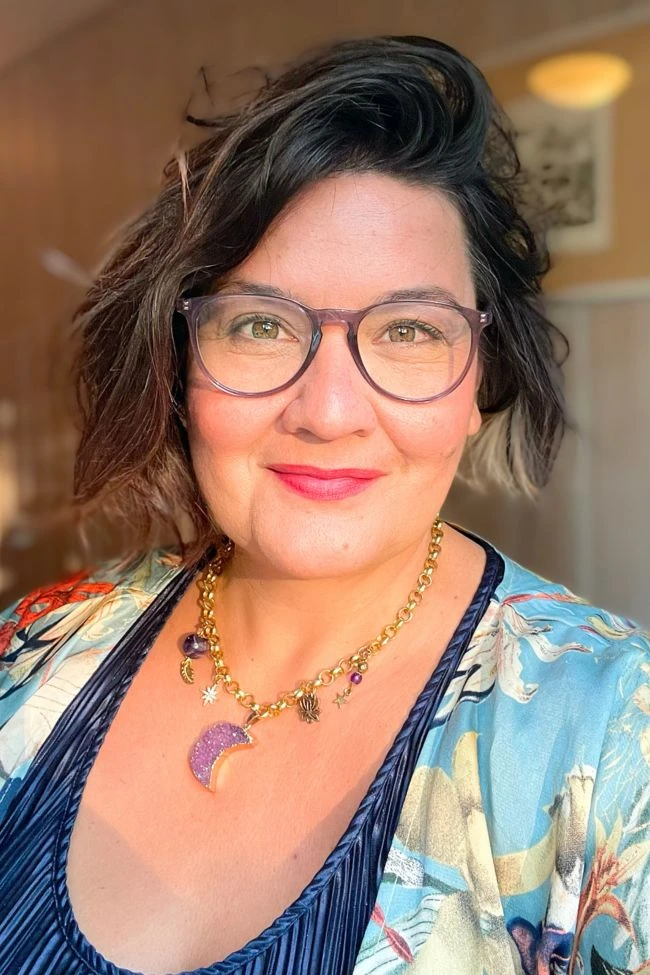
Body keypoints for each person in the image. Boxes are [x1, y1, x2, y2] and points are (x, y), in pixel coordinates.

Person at [0, 34, 648, 975]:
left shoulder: (617, 735)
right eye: (261, 324)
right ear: (180, 367)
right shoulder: (30, 650)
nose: (329, 412)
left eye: (410, 330)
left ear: (480, 380)